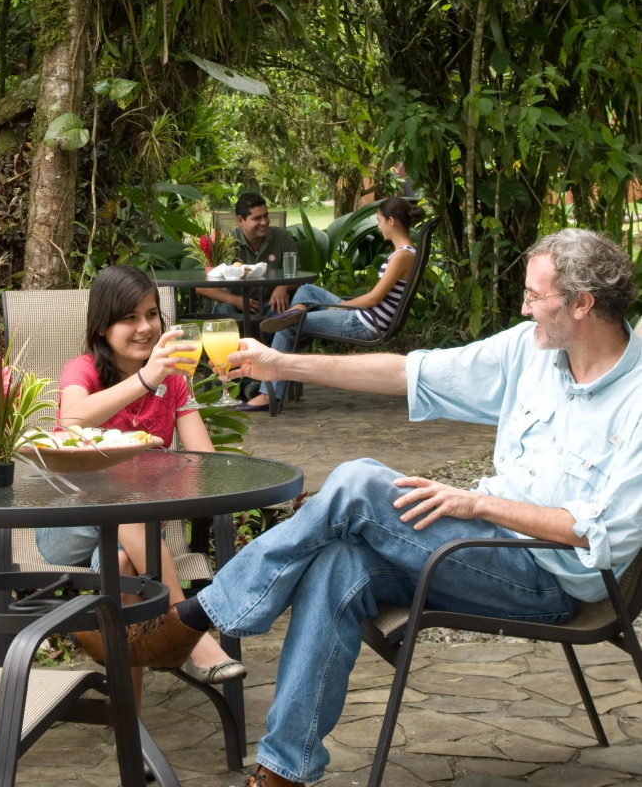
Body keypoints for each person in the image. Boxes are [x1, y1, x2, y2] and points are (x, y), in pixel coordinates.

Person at [115, 228, 642, 787]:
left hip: (548, 579)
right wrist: (280, 365)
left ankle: (195, 618)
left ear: (583, 304)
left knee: (359, 481)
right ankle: (281, 774)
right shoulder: (529, 350)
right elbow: (405, 372)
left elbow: (599, 533)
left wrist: (478, 503)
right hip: (477, 545)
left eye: (535, 296)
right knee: (337, 563)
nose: (523, 307)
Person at [34, 265, 246, 689]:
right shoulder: (84, 371)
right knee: (126, 497)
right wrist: (147, 379)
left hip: (132, 537)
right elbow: (69, 419)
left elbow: (205, 461)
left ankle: (128, 722)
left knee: (122, 567)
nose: (145, 327)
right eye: (129, 318)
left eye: (151, 314)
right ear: (103, 327)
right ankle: (188, 632)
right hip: (67, 525)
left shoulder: (176, 382)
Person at [241, 197, 424, 411]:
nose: (378, 225)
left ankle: (267, 395)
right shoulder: (408, 252)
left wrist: (338, 307)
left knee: (287, 328)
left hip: (364, 322)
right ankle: (295, 311)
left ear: (391, 221)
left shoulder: (401, 256)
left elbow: (374, 298)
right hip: (364, 315)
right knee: (307, 289)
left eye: (379, 220)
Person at [199, 193, 298, 318]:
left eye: (266, 216)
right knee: (224, 310)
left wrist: (283, 286)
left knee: (281, 310)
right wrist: (236, 300)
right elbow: (201, 285)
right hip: (233, 305)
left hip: (270, 303)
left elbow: (298, 276)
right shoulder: (224, 244)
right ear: (241, 220)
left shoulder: (282, 237)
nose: (264, 222)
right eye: (257, 218)